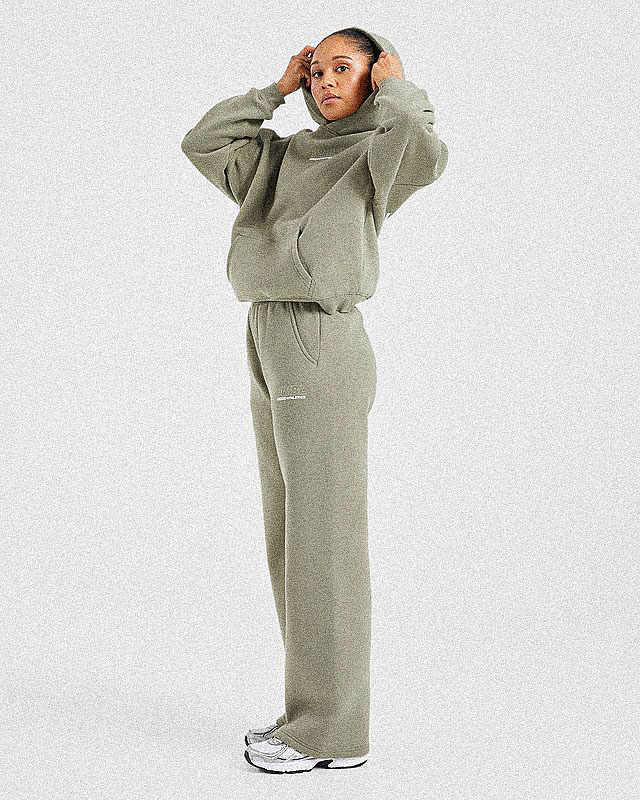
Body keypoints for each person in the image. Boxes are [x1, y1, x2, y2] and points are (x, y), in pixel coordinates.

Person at [181, 25, 448, 773]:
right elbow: (203, 142)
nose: (327, 81)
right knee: (290, 535)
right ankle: (309, 710)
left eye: (345, 67)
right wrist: (274, 89)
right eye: (317, 70)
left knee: (324, 539)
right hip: (265, 329)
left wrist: (398, 87)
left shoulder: (381, 151)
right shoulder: (284, 157)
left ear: (376, 74)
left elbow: (424, 145)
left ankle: (331, 732)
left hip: (320, 337)